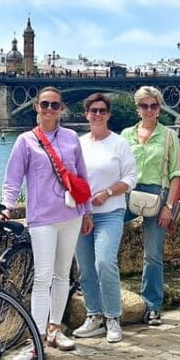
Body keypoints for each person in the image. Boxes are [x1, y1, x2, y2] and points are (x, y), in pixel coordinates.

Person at [0, 86, 93, 360]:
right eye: (44, 105)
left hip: (71, 215)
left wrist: (86, 212)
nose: (49, 110)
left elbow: (81, 177)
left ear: (61, 109)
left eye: (54, 105)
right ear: (36, 107)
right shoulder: (25, 141)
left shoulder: (71, 138)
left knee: (63, 274)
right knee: (42, 277)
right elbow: (12, 179)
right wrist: (5, 208)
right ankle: (36, 340)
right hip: (42, 217)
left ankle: (54, 329)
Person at [73, 93, 137, 343]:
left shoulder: (119, 143)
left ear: (109, 114)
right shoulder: (78, 144)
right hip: (82, 213)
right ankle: (94, 315)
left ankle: (113, 317)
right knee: (85, 267)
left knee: (104, 262)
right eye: (93, 110)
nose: (97, 114)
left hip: (111, 212)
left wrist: (108, 192)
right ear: (86, 114)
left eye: (102, 110)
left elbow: (131, 178)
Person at [121, 86, 180, 326]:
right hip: (128, 193)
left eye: (153, 106)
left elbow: (176, 174)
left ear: (159, 108)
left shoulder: (168, 136)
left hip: (157, 194)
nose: (149, 110)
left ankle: (153, 305)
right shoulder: (126, 134)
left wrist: (169, 206)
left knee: (153, 253)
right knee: (104, 239)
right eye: (144, 105)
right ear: (138, 109)